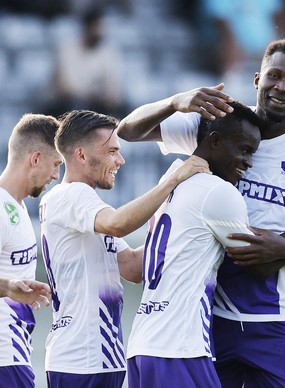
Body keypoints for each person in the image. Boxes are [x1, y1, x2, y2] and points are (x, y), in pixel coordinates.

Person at [117, 39, 285, 387]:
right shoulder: (220, 126)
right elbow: (128, 131)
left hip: (280, 319)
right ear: (257, 79)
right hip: (212, 318)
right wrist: (174, 102)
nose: (282, 87)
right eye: (274, 75)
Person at [39, 110, 209, 388]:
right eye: (112, 151)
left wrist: (181, 224)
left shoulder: (82, 206)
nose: (121, 160)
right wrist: (171, 181)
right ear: (81, 155)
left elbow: (131, 266)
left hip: (97, 358)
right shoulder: (73, 195)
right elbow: (118, 224)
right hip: (81, 360)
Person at [126, 101, 261, 387]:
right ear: (214, 140)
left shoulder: (173, 178)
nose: (249, 162)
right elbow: (259, 261)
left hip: (143, 345)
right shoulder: (218, 192)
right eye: (245, 150)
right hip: (179, 350)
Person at [0, 113, 62, 388]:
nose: (56, 175)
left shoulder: (18, 207)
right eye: (55, 164)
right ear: (36, 158)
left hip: (15, 355)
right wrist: (8, 285)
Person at [43, 6, 126, 118]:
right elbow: (66, 88)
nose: (99, 32)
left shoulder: (108, 52)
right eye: (96, 27)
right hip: (69, 105)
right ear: (86, 27)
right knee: (78, 108)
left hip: (97, 104)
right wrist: (94, 95)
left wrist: (107, 97)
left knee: (124, 111)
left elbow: (113, 90)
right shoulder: (67, 50)